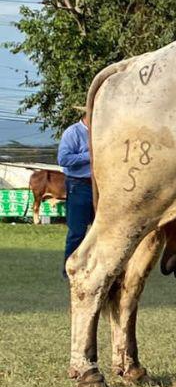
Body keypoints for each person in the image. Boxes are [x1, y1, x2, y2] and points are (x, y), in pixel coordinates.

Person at [57, 105, 93, 279]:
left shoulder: (103, 132)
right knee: (77, 230)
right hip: (78, 185)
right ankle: (69, 269)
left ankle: (93, 267)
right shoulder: (73, 133)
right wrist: (90, 155)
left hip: (99, 186)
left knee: (99, 230)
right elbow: (63, 159)